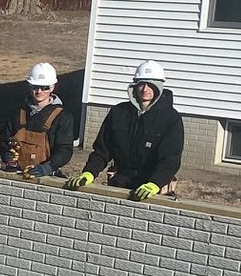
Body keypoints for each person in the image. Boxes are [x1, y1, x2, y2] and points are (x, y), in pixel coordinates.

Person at [66, 59, 184, 200]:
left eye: (150, 85)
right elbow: (102, 150)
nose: (145, 89)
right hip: (120, 183)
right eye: (141, 84)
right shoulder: (119, 112)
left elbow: (170, 160)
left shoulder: (171, 119)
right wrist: (89, 172)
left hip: (152, 190)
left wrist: (154, 183)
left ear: (159, 86)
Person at [0, 62, 75, 177]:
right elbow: (3, 140)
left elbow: (65, 149)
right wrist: (5, 154)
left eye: (45, 88)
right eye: (35, 87)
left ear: (52, 87)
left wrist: (48, 167)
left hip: (45, 176)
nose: (39, 92)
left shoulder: (63, 117)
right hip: (16, 174)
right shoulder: (18, 113)